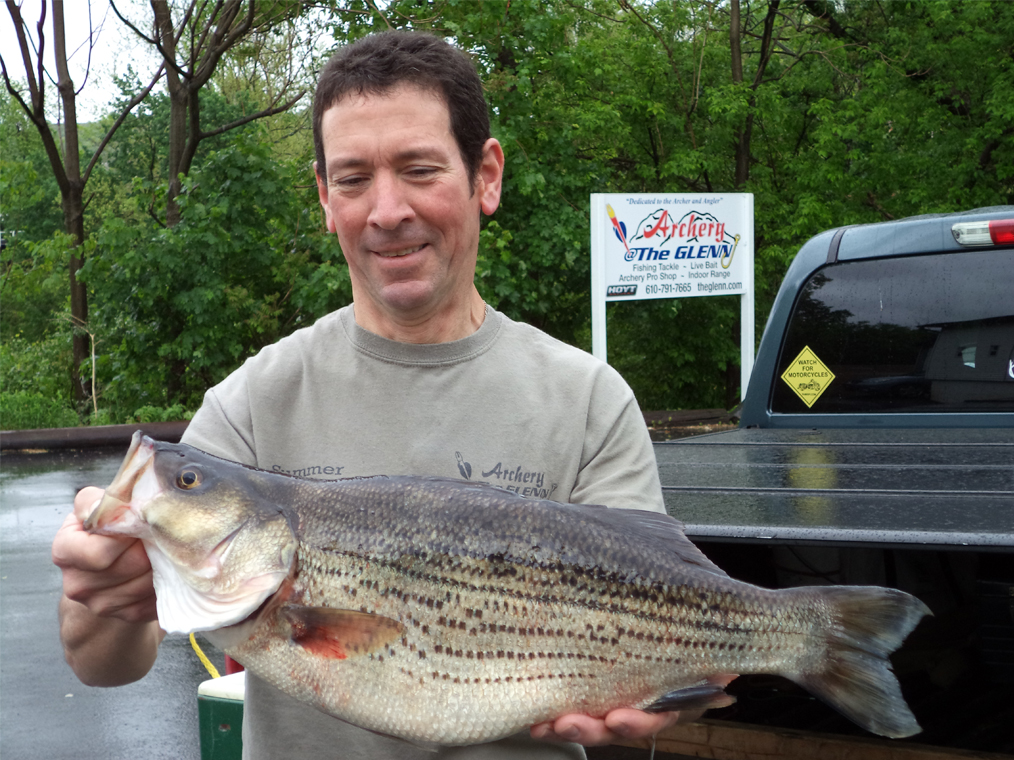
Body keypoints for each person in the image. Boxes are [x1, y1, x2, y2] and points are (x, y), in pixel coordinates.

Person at [53, 30, 694, 759]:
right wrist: (100, 593)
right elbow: (102, 665)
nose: (387, 210)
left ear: (485, 176)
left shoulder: (589, 401)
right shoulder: (252, 401)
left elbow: (657, 620)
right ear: (325, 198)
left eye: (419, 170)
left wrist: (653, 693)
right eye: (354, 179)